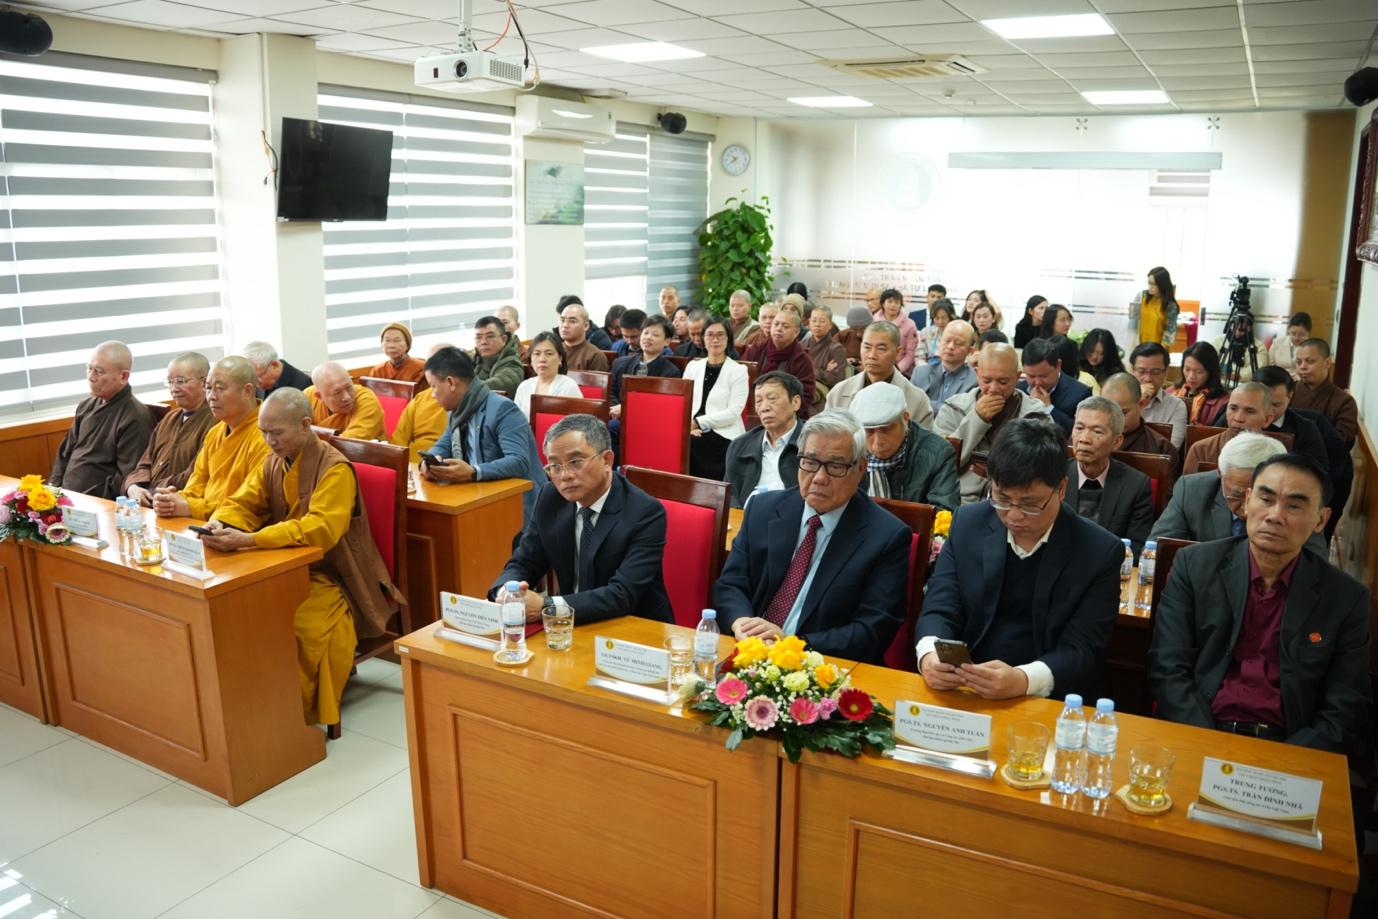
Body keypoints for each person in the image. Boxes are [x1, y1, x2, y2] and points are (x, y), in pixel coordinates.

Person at [203, 388, 404, 728]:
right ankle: (254, 709)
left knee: (297, 626)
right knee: (243, 613)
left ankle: (296, 720)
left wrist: (252, 540)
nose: (269, 441)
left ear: (305, 425)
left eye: (276, 433)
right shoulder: (274, 460)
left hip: (333, 573)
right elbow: (244, 501)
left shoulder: (334, 468)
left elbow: (320, 529)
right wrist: (221, 522)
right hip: (281, 565)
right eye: (264, 432)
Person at [1148, 454, 1370, 753]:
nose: (1275, 516)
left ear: (1321, 520)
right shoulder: (1194, 566)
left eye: (1294, 506)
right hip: (1200, 731)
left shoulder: (1345, 597)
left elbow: (1345, 704)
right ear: (1247, 501)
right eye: (1266, 499)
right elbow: (1167, 666)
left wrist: (1286, 759)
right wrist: (1208, 745)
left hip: (1290, 746)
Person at [917, 417, 1124, 700]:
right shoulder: (969, 523)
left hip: (1051, 696)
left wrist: (1024, 680)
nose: (1013, 516)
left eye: (1030, 504)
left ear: (1061, 489)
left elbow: (1083, 647)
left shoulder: (1099, 551)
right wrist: (930, 654)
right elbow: (940, 606)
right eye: (1002, 499)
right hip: (967, 684)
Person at [713, 410, 912, 664]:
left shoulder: (887, 536)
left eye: (836, 466)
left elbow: (872, 631)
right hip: (750, 652)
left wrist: (792, 644)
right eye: (810, 461)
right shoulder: (763, 509)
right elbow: (731, 583)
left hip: (824, 665)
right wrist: (742, 623)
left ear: (861, 468)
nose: (819, 478)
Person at [490, 413, 673, 623]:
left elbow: (622, 594)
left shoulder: (645, 512)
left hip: (632, 628)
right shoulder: (550, 497)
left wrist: (547, 606)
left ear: (606, 460)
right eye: (554, 466)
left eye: (575, 462)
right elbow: (525, 560)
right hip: (568, 626)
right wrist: (506, 591)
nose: (565, 475)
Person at [422, 346, 547, 516]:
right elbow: (443, 445)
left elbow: (519, 461)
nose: (432, 395)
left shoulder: (503, 409)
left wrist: (473, 472)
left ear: (451, 382)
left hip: (516, 505)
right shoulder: (457, 411)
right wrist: (429, 462)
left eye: (433, 386)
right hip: (478, 496)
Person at [154, 356, 273, 521]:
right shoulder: (215, 433)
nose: (211, 397)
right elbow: (196, 484)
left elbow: (249, 504)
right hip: (203, 520)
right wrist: (173, 500)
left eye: (219, 389)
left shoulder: (267, 436)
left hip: (238, 528)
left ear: (247, 391)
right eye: (208, 388)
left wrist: (190, 507)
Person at [936, 343, 1050, 504]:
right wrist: (977, 419)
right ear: (977, 373)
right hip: (958, 500)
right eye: (987, 380)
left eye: (1003, 382)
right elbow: (938, 464)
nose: (994, 388)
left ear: (1017, 377)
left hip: (1013, 504)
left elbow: (1044, 471)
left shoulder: (1036, 416)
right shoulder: (954, 409)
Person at [1254, 365, 1352, 541]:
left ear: (1290, 396)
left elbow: (1320, 474)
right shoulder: (1234, 417)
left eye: (1276, 404)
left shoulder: (1307, 427)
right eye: (1263, 404)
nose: (1270, 411)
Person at [1151, 433, 1301, 546]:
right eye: (1236, 495)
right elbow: (1158, 547)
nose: (1246, 509)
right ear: (1220, 474)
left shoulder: (1296, 501)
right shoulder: (1192, 490)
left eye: (1263, 498)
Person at [50, 341, 154, 499]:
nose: (91, 377)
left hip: (98, 503)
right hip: (64, 497)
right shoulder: (86, 405)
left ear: (123, 376)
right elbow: (65, 453)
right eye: (89, 368)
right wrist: (52, 489)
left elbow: (128, 477)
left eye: (99, 371)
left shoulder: (136, 418)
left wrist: (92, 500)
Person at [1064, 397, 1154, 556]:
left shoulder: (1136, 486)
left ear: (1117, 441)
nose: (1084, 439)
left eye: (1097, 432)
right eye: (1079, 428)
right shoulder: (1054, 475)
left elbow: (1135, 547)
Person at [851, 382, 958, 511]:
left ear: (905, 419)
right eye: (869, 431)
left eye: (886, 429)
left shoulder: (938, 453)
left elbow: (944, 514)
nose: (878, 442)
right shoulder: (850, 450)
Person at [124, 353, 214, 506]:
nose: (174, 389)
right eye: (170, 382)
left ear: (204, 383)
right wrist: (133, 487)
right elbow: (144, 463)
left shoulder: (215, 421)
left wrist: (153, 490)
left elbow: (194, 475)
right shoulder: (169, 419)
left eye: (180, 381)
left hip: (180, 505)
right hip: (150, 500)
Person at [826, 321, 934, 428]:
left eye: (881, 349)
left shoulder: (917, 400)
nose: (872, 355)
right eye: (867, 347)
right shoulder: (838, 393)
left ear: (897, 352)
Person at [725, 371, 803, 508]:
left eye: (772, 399)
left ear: (795, 402)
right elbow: (729, 494)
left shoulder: (813, 445)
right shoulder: (740, 445)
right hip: (747, 515)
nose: (764, 408)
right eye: (758, 401)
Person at [686, 318, 748, 481]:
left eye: (720, 335)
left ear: (728, 339)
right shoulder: (693, 366)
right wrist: (688, 426)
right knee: (682, 441)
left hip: (724, 430)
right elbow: (683, 403)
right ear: (703, 338)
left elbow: (733, 412)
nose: (715, 340)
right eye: (710, 335)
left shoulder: (738, 371)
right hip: (691, 428)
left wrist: (698, 422)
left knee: (697, 444)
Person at [1182, 382, 1276, 475]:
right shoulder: (1202, 450)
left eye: (1250, 411)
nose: (1238, 418)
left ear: (1267, 419)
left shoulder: (1275, 456)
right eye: (1233, 408)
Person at [742, 306, 817, 418]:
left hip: (787, 418)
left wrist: (782, 414)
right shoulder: (756, 350)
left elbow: (805, 396)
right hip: (754, 412)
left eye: (785, 326)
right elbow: (739, 379)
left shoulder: (802, 360)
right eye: (776, 324)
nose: (779, 328)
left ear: (796, 332)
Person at [608, 315, 682, 422]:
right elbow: (611, 393)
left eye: (655, 335)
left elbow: (661, 405)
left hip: (649, 421)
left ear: (667, 341)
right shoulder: (620, 363)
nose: (648, 337)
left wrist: (626, 409)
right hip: (617, 419)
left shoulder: (671, 373)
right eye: (646, 333)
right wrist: (617, 411)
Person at [1100, 372, 1180, 469]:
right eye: (1106, 411)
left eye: (1122, 413)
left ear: (1141, 404)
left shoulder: (1162, 449)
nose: (1113, 420)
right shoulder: (1090, 440)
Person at [389, 344, 452, 464]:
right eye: (430, 364)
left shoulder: (461, 398)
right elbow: (399, 438)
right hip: (412, 463)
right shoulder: (420, 398)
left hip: (444, 463)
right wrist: (400, 465)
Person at [1017, 337, 1092, 435]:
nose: (1038, 382)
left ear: (1058, 366)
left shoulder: (1080, 393)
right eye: (1031, 376)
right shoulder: (1018, 390)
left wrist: (1048, 408)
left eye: (1043, 376)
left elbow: (1079, 433)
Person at [1290, 337, 1357, 446]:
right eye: (1298, 362)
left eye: (1310, 361)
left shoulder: (1344, 401)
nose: (1302, 367)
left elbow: (1343, 441)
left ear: (1327, 363)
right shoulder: (1289, 391)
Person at [1129, 341, 1188, 448]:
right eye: (1141, 371)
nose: (1147, 379)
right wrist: (1137, 403)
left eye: (1155, 372)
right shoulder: (1118, 401)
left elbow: (1171, 449)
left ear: (1165, 372)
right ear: (1132, 370)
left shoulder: (1176, 406)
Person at [911, 318, 978, 412]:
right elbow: (911, 406)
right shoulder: (920, 373)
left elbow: (959, 413)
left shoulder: (974, 380)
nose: (950, 347)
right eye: (947, 340)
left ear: (969, 350)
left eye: (958, 343)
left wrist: (924, 404)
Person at [304, 362, 384, 440]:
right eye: (337, 393)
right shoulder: (308, 397)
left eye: (349, 387)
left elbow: (349, 444)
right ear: (319, 396)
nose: (347, 397)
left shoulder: (367, 401)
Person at [513, 331, 582, 419]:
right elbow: (515, 421)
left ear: (560, 359)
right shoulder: (524, 387)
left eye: (549, 354)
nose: (542, 359)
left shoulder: (568, 387)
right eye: (537, 354)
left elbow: (578, 423)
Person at [1168, 341, 1230, 426]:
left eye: (1199, 372)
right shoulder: (1171, 392)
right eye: (1187, 369)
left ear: (1211, 372)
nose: (1191, 376)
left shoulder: (1223, 403)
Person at [803, 303, 848, 405]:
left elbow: (834, 379)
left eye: (822, 321)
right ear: (809, 323)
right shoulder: (802, 344)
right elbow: (794, 370)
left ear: (830, 325)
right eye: (814, 320)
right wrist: (822, 372)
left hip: (824, 394)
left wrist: (807, 370)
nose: (817, 324)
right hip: (801, 385)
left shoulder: (837, 349)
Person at [471, 315, 525, 396]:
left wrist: (462, 388)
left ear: (504, 339)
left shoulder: (512, 362)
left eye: (490, 336)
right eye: (478, 337)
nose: (483, 342)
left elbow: (500, 384)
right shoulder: (474, 358)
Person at [873, 288, 919, 376]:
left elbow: (910, 354)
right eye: (890, 302)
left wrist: (897, 370)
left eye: (897, 302)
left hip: (901, 371)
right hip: (877, 368)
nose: (893, 305)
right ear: (883, 303)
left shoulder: (909, 324)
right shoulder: (873, 321)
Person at [241, 341, 312, 396]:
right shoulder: (255, 379)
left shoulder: (303, 385)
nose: (255, 385)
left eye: (258, 377)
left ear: (275, 365)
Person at [1132, 266, 1179, 347]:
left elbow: (1169, 334)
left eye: (1153, 284)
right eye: (1149, 283)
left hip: (1157, 348)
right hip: (1139, 345)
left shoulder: (1171, 306)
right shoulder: (1141, 296)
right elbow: (1133, 320)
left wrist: (1159, 351)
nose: (1150, 286)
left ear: (1162, 285)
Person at [558, 301, 610, 372]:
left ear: (586, 326)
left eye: (572, 321)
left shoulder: (595, 356)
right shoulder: (555, 351)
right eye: (562, 320)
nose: (565, 325)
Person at [1269, 312, 1310, 380]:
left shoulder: (1311, 347)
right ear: (1288, 330)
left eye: (1302, 334)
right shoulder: (1277, 343)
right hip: (1278, 379)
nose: (1297, 337)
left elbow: (1310, 369)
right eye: (1293, 333)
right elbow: (1270, 367)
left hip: (1302, 381)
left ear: (1308, 333)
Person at [919, 298, 955, 363]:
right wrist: (925, 368)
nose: (940, 322)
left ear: (951, 317)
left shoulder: (958, 333)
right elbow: (919, 357)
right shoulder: (926, 332)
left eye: (944, 318)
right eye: (937, 318)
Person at [837, 305, 872, 370]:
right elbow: (829, 353)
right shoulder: (844, 335)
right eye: (854, 329)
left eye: (862, 329)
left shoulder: (878, 336)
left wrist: (869, 366)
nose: (858, 333)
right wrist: (843, 361)